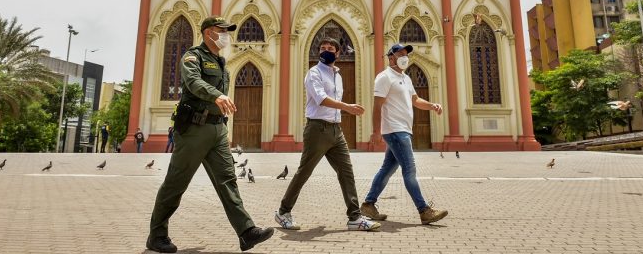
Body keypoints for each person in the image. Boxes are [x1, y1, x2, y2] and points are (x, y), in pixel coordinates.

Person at [147, 16, 274, 253]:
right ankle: (157, 235)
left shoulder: (221, 61)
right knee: (176, 184)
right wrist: (215, 94)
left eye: (227, 31)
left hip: (216, 130)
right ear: (208, 33)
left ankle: (247, 232)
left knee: (228, 181)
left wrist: (223, 128)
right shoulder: (193, 56)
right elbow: (193, 82)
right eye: (221, 30)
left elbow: (220, 103)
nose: (226, 35)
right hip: (194, 129)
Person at [274, 37, 380, 232]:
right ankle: (283, 212)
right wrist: (347, 107)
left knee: (346, 173)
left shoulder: (337, 75)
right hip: (317, 130)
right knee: (304, 172)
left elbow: (333, 102)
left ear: (338, 53)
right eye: (322, 48)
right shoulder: (313, 73)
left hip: (336, 130)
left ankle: (354, 218)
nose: (326, 51)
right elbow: (321, 99)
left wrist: (342, 111)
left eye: (330, 48)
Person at [362, 43, 448, 225]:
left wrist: (432, 105)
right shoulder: (384, 77)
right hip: (395, 130)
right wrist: (376, 132)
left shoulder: (405, 78)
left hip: (403, 130)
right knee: (409, 170)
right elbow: (377, 106)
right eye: (400, 53)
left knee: (388, 169)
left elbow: (415, 100)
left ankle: (368, 204)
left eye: (406, 54)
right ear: (390, 57)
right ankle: (424, 210)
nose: (404, 56)